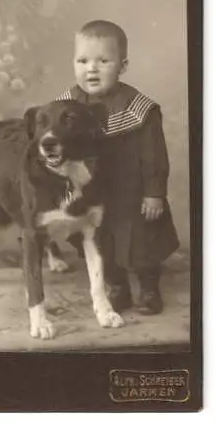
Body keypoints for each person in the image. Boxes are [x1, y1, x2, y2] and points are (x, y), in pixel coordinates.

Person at [57, 19, 179, 315]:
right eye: (83, 60)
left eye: (103, 60)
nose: (92, 69)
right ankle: (116, 287)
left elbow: (154, 156)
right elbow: (59, 153)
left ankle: (149, 289)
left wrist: (154, 192)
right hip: (94, 196)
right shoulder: (67, 106)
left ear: (122, 66)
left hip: (132, 193)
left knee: (142, 244)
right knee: (101, 243)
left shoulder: (138, 108)